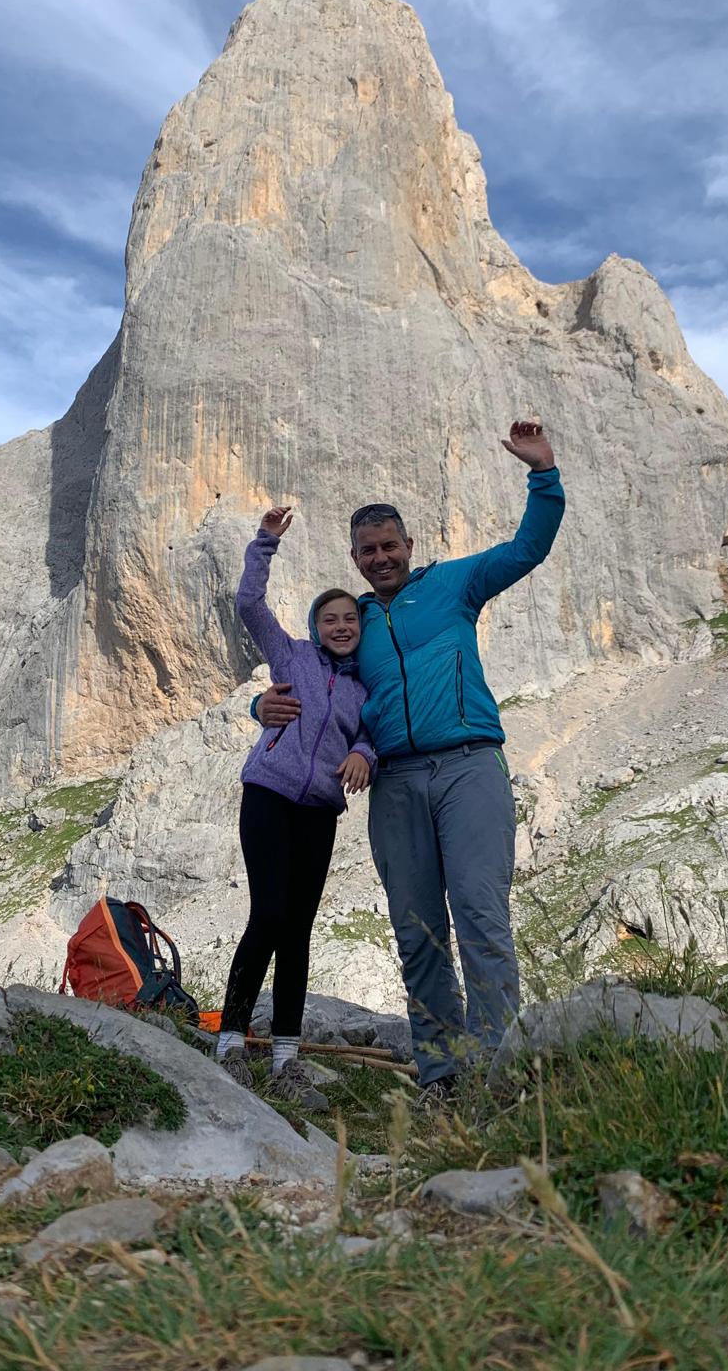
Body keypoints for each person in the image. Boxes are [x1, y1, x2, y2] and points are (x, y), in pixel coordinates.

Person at [254, 420, 564, 1105]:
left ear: (409, 546)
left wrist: (542, 473)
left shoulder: (453, 585)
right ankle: (443, 1077)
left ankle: (496, 1069)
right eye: (368, 550)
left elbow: (527, 549)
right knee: (418, 930)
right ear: (356, 558)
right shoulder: (353, 623)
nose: (381, 557)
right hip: (392, 782)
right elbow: (307, 683)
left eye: (390, 545)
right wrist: (262, 709)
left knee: (481, 915)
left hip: (469, 766)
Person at [217, 506, 375, 1113]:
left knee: (300, 929)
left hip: (318, 810)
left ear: (360, 629)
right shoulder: (293, 659)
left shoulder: (363, 686)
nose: (340, 626)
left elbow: (374, 733)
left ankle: (286, 1056)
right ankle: (229, 1040)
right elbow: (249, 605)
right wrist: (265, 542)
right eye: (329, 618)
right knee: (271, 914)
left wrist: (364, 753)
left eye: (349, 620)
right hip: (268, 796)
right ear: (315, 626)